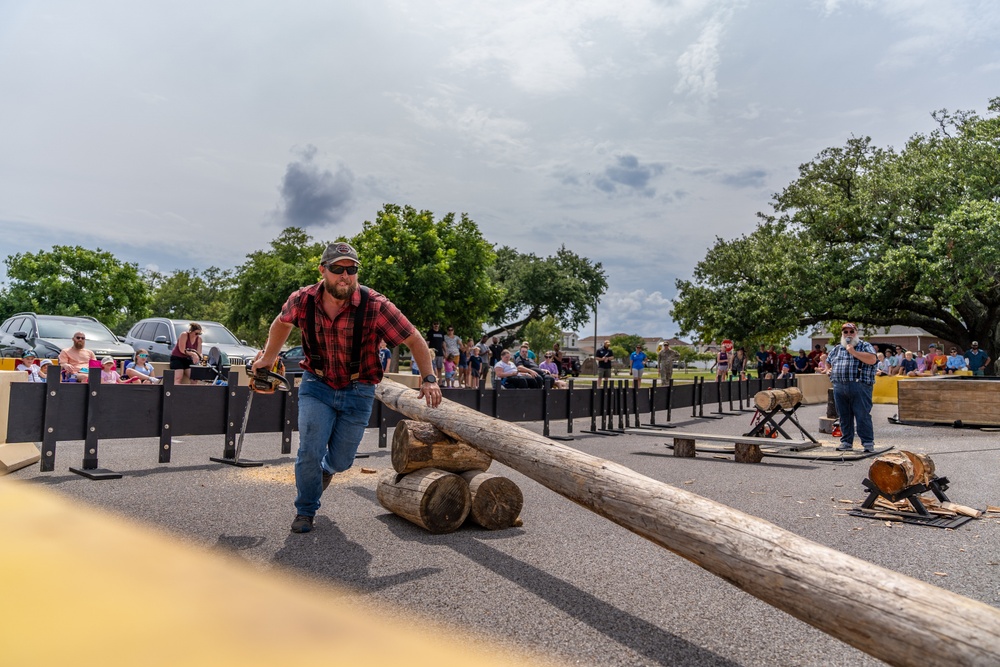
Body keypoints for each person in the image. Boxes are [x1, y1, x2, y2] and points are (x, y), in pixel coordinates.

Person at [252, 241, 441, 534]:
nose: (345, 275)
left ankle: (327, 471)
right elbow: (282, 323)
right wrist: (267, 358)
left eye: (351, 269)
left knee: (341, 461)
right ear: (322, 271)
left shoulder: (376, 305)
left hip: (358, 389)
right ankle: (305, 510)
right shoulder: (303, 300)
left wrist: (428, 378)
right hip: (317, 384)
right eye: (337, 269)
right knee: (310, 450)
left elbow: (414, 338)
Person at [827, 322, 877, 453]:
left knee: (862, 415)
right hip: (839, 385)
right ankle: (846, 442)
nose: (848, 335)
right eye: (845, 332)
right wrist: (828, 370)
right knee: (844, 416)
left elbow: (872, 359)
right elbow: (828, 361)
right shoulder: (837, 348)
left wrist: (853, 352)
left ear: (856, 333)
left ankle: (867, 443)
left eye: (851, 332)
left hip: (859, 384)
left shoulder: (864, 345)